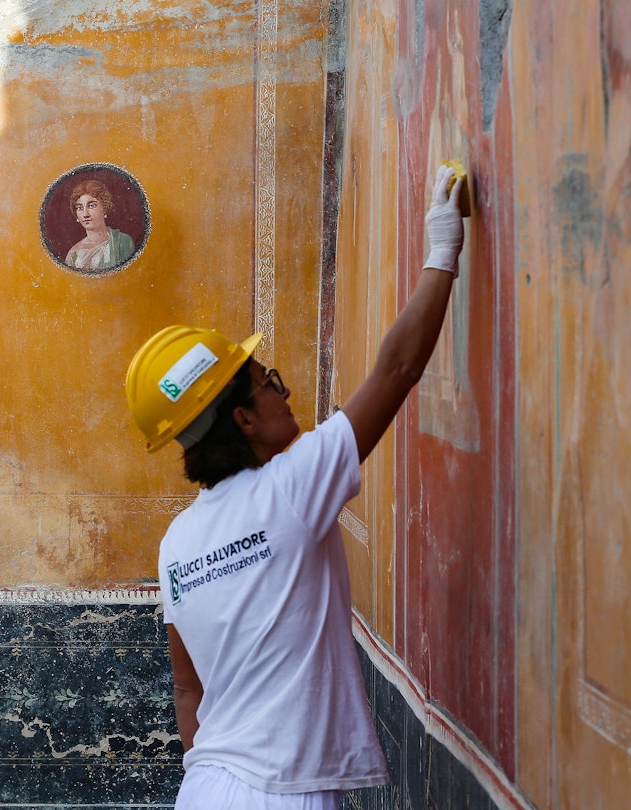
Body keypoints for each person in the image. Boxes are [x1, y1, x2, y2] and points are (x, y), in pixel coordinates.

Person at [123, 165, 467, 808]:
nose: (283, 391)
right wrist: (441, 251)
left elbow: (187, 691)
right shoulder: (292, 487)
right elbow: (397, 368)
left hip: (204, 789)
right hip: (286, 793)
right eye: (265, 381)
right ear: (244, 420)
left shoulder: (177, 541)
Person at [64, 179, 136, 270]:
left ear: (104, 207)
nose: (85, 214)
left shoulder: (122, 242)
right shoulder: (74, 253)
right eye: (79, 208)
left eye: (91, 206)